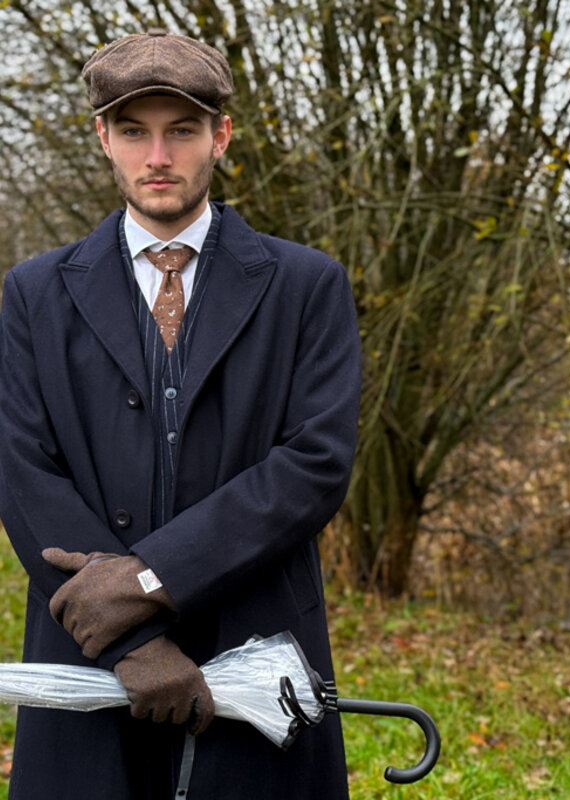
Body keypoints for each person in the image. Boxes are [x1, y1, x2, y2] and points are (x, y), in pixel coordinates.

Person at [0, 28, 360, 800]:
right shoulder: (33, 293)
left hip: (255, 647)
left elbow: (315, 464)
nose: (156, 156)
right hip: (88, 655)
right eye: (133, 131)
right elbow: (23, 469)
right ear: (103, 138)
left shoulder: (307, 286)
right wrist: (133, 642)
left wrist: (155, 580)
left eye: (181, 130)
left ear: (220, 136)